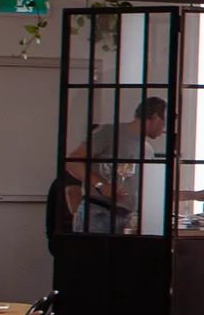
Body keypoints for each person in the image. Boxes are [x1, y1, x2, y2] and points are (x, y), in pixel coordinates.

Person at [67, 95, 167, 234]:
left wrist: (194, 195)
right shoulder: (108, 133)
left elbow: (150, 189)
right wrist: (100, 185)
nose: (164, 130)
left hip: (125, 218)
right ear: (155, 117)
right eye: (165, 122)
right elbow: (73, 162)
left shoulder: (147, 150)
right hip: (98, 213)